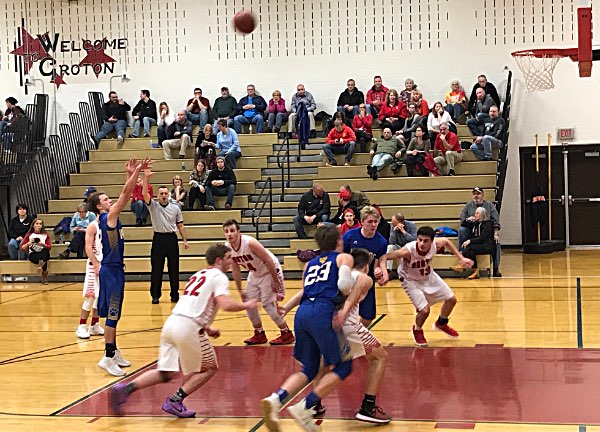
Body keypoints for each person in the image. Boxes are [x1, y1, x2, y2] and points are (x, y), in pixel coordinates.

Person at [109, 243, 258, 418]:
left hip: (172, 323)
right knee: (209, 368)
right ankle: (175, 400)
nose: (230, 261)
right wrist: (246, 304)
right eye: (227, 258)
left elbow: (192, 305)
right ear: (218, 260)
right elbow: (225, 304)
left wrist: (207, 328)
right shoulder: (219, 276)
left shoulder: (198, 275)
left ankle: (125, 389)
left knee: (166, 373)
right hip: (188, 327)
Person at [277, 248, 391, 424]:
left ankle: (314, 407)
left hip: (325, 324)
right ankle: (368, 407)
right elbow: (359, 285)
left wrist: (287, 307)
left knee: (324, 363)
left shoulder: (336, 273)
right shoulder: (362, 278)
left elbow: (305, 291)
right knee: (380, 358)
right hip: (347, 325)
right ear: (366, 267)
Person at [261, 224, 354, 431]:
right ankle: (305, 406)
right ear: (339, 241)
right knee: (344, 366)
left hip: (302, 314)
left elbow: (305, 291)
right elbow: (344, 286)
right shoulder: (343, 258)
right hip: (323, 312)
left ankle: (276, 399)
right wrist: (344, 307)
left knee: (310, 368)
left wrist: (286, 307)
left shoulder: (310, 264)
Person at [88, 158, 149, 376]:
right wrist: (138, 172)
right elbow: (125, 195)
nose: (109, 200)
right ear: (99, 206)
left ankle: (113, 352)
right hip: (110, 270)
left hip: (114, 269)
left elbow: (125, 194)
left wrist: (130, 174)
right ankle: (107, 356)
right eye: (105, 199)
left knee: (115, 314)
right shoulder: (108, 217)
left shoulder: (111, 217)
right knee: (112, 315)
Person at [379, 226, 473, 347]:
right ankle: (417, 330)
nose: (422, 243)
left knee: (451, 300)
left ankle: (441, 323)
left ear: (432, 241)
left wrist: (461, 258)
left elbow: (447, 241)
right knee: (425, 310)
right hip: (410, 280)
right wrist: (385, 273)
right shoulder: (408, 251)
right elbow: (384, 257)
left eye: (425, 240)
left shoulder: (436, 244)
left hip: (428, 275)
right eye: (420, 239)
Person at [223, 219, 294, 345]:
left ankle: (286, 333)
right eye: (226, 231)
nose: (229, 234)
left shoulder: (250, 243)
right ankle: (259, 333)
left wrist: (275, 280)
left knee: (268, 305)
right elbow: (235, 268)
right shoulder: (227, 247)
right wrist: (239, 290)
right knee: (248, 303)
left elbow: (268, 260)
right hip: (255, 273)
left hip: (269, 270)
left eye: (232, 231)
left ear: (238, 232)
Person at [143, 170, 189, 304]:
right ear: (157, 195)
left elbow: (180, 225)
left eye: (165, 193)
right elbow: (144, 193)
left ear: (168, 195)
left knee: (174, 268)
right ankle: (155, 295)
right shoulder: (153, 206)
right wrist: (146, 178)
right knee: (156, 268)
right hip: (158, 239)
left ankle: (174, 295)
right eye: (161, 193)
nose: (163, 195)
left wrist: (184, 240)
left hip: (171, 239)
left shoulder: (175, 208)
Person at [343, 206, 388, 327]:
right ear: (362, 222)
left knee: (368, 317)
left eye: (376, 221)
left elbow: (379, 262)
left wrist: (380, 273)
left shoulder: (381, 241)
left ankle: (357, 334)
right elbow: (341, 256)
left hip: (366, 282)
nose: (373, 224)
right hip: (347, 280)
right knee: (343, 312)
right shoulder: (350, 236)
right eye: (370, 221)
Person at [458, 187, 502, 277]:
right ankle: (462, 257)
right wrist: (468, 219)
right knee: (462, 230)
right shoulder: (468, 206)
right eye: (474, 194)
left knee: (496, 243)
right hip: (472, 230)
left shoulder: (489, 206)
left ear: (483, 195)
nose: (476, 196)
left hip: (486, 232)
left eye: (478, 194)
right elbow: (462, 220)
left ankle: (496, 268)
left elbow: (496, 220)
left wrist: (495, 232)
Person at [75, 213, 105, 339]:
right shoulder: (93, 226)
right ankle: (81, 326)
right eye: (106, 200)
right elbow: (88, 248)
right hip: (94, 263)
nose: (110, 202)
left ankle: (95, 324)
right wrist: (95, 263)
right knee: (91, 296)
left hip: (104, 263)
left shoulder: (107, 225)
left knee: (100, 296)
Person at [452, 207, 495, 279]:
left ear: (482, 215)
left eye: (477, 213)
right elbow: (463, 225)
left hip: (487, 245)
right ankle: (475, 270)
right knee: (468, 248)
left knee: (469, 248)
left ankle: (463, 266)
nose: (475, 214)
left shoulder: (488, 224)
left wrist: (470, 241)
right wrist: (467, 220)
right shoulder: (475, 223)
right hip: (478, 244)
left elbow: (482, 238)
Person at [386, 213, 417, 279]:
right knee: (390, 247)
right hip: (399, 247)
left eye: (394, 222)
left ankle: (402, 274)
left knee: (403, 253)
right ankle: (388, 270)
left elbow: (413, 240)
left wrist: (403, 231)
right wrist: (394, 232)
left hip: (409, 248)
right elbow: (391, 242)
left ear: (400, 222)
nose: (392, 223)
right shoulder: (393, 226)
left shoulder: (412, 225)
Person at [20, 218, 51, 284]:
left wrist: (42, 244)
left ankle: (40, 266)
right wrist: (29, 243)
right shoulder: (29, 235)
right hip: (33, 254)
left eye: (40, 224)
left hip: (43, 253)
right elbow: (22, 248)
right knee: (43, 258)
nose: (39, 225)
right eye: (37, 224)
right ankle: (44, 277)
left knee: (45, 252)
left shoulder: (45, 235)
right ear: (33, 225)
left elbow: (49, 247)